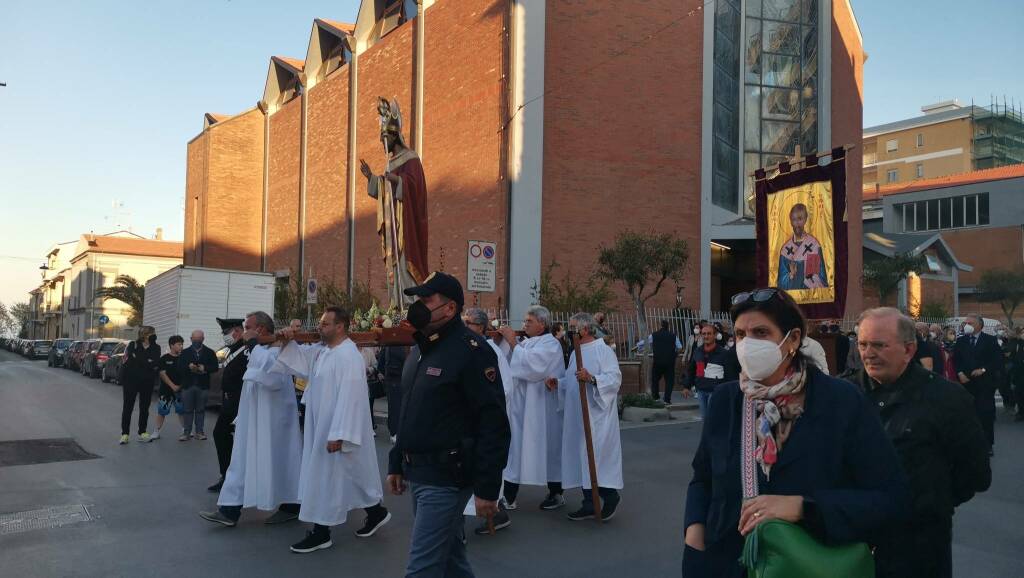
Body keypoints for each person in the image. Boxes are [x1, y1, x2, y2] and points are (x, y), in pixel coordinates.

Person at [682, 288, 909, 578]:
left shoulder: (841, 402)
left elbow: (891, 498)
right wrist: (694, 536)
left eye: (761, 332)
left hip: (809, 563)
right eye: (740, 334)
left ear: (793, 339)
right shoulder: (727, 400)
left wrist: (804, 507)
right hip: (724, 561)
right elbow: (702, 479)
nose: (747, 344)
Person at [386, 272, 510, 577]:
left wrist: (487, 487)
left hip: (447, 478)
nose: (417, 307)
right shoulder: (421, 348)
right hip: (419, 471)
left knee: (422, 568)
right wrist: (397, 460)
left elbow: (493, 423)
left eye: (426, 301)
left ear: (450, 309)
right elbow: (408, 410)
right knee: (452, 560)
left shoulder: (473, 351)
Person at [853, 308, 990, 578]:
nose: (868, 353)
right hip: (855, 542)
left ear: (908, 349)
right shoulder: (844, 395)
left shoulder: (947, 399)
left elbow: (975, 473)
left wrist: (931, 500)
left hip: (919, 545)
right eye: (863, 344)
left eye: (879, 345)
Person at [276, 307, 391, 554]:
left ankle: (321, 533)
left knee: (326, 478)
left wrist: (339, 434)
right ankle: (376, 512)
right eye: (321, 323)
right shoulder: (325, 351)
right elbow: (301, 361)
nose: (320, 327)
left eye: (325, 323)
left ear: (340, 326)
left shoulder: (348, 356)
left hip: (336, 429)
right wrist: (288, 340)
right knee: (352, 474)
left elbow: (351, 398)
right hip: (322, 425)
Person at [199, 311, 303, 528]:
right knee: (241, 460)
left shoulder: (278, 349)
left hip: (273, 420)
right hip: (253, 417)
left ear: (261, 330)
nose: (243, 332)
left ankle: (291, 505)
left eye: (247, 327)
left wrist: (254, 345)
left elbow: (272, 375)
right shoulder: (260, 348)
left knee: (282, 460)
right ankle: (229, 509)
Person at [550, 312, 623, 521]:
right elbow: (572, 380)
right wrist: (559, 383)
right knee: (580, 457)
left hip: (596, 417)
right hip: (577, 416)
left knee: (595, 458)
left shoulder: (603, 350)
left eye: (572, 327)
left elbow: (614, 379)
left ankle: (610, 496)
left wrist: (592, 379)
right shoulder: (575, 353)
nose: (568, 331)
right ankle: (589, 503)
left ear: (584, 330)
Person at [359, 97, 428, 307]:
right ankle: (396, 304)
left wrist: (398, 180)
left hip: (406, 227)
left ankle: (410, 304)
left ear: (394, 135)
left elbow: (417, 189)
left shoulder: (411, 158)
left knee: (405, 263)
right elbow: (384, 189)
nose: (382, 142)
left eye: (384, 137)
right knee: (393, 266)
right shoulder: (390, 164)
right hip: (392, 227)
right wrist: (372, 178)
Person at [498, 305, 566, 513]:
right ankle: (508, 496)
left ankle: (556, 493)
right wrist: (502, 342)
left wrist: (512, 342)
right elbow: (509, 361)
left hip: (541, 409)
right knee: (515, 449)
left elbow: (534, 367)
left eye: (529, 321)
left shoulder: (551, 344)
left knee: (549, 449)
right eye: (525, 320)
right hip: (521, 407)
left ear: (542, 324)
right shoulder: (527, 342)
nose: (525, 324)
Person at [461, 307, 515, 536]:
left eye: (469, 323)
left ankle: (461, 526)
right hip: (463, 422)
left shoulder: (489, 351)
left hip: (481, 422)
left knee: (478, 469)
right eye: (463, 322)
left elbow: (503, 389)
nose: (465, 327)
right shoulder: (461, 349)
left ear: (481, 328)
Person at [209, 317, 249, 493]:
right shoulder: (233, 349)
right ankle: (226, 475)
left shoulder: (246, 349)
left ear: (237, 331)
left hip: (239, 402)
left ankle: (232, 477)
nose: (224, 336)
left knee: (224, 436)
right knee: (221, 436)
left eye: (226, 332)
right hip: (229, 401)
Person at [954, 314, 1003, 454]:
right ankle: (969, 444)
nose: (967, 325)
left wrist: (983, 369)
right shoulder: (961, 341)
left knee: (985, 414)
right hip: (965, 383)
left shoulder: (990, 340)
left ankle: (987, 444)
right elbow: (956, 360)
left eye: (970, 323)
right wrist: (960, 373)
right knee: (967, 414)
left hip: (984, 384)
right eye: (966, 323)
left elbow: (997, 360)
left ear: (980, 325)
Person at [685, 323, 738, 418]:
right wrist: (687, 386)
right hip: (701, 391)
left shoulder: (723, 353)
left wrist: (730, 393)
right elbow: (692, 370)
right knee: (705, 420)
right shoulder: (698, 351)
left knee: (713, 419)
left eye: (709, 333)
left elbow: (730, 374)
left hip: (716, 392)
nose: (706, 336)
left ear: (714, 335)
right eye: (704, 334)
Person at [120, 326, 161, 444]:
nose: (154, 335)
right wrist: (147, 361)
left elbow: (155, 362)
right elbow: (130, 361)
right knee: (128, 407)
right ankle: (125, 434)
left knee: (144, 407)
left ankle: (142, 432)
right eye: (152, 333)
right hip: (130, 381)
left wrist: (138, 359)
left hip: (147, 381)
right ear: (145, 335)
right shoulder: (133, 345)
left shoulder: (156, 347)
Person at [176, 330, 219, 441]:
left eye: (199, 339)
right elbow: (179, 368)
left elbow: (215, 367)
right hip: (188, 386)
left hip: (202, 386)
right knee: (187, 410)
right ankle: (186, 433)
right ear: (191, 339)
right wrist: (188, 367)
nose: (197, 341)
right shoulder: (184, 352)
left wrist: (204, 368)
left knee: (200, 410)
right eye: (195, 339)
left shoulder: (210, 352)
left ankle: (199, 432)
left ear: (203, 339)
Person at [777, 203, 829, 290]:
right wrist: (791, 275)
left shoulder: (814, 245)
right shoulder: (785, 249)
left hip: (810, 294)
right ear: (790, 222)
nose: (797, 223)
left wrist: (808, 277)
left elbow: (821, 277)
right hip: (792, 298)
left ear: (805, 220)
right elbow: (781, 283)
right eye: (794, 219)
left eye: (800, 219)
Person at [152, 335, 185, 440]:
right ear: (172, 345)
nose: (181, 346)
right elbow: (162, 374)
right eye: (179, 344)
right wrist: (173, 386)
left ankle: (185, 430)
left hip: (180, 390)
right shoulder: (164, 358)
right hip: (166, 390)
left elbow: (187, 374)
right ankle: (156, 431)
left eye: (182, 344)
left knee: (182, 411)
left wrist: (180, 386)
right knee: (162, 412)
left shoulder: (184, 358)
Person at [377, 345, 408, 443]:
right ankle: (394, 432)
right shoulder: (395, 346)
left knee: (397, 407)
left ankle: (397, 432)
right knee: (396, 407)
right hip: (396, 380)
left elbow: (380, 365)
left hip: (396, 380)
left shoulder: (390, 345)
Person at [649, 320, 682, 404]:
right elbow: (680, 347)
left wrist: (636, 347)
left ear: (660, 326)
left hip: (657, 361)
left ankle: (655, 397)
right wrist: (674, 354)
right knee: (669, 381)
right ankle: (667, 399)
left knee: (655, 379)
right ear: (668, 326)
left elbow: (644, 343)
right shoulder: (673, 336)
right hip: (669, 362)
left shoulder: (654, 335)